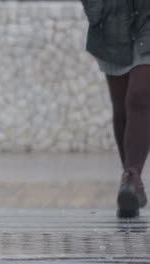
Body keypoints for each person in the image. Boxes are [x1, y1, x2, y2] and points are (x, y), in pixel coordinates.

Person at [81, 0, 150, 218]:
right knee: (121, 106)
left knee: (139, 94)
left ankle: (131, 176)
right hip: (113, 16)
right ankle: (131, 184)